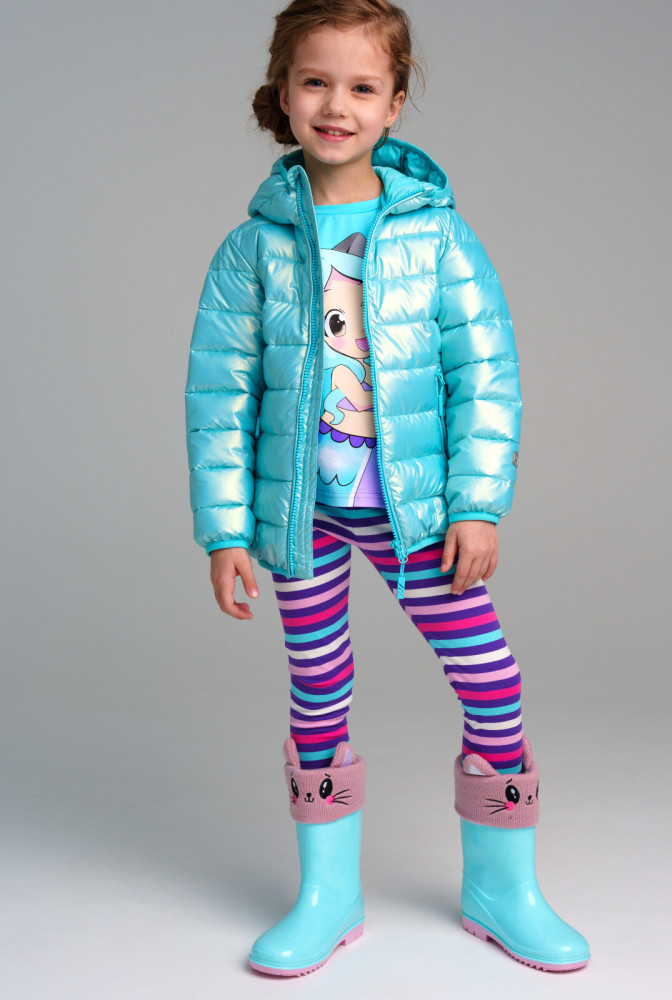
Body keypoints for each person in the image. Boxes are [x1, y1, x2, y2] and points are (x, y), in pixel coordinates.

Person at [185, 0, 589, 977]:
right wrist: (224, 531)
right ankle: (328, 896)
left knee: (491, 679)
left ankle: (503, 888)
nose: (338, 105)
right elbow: (218, 396)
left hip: (415, 519)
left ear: (395, 103)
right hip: (301, 518)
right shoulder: (251, 250)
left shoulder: (439, 237)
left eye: (362, 86)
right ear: (283, 94)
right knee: (317, 685)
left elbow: (485, 374)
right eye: (315, 82)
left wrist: (477, 505)